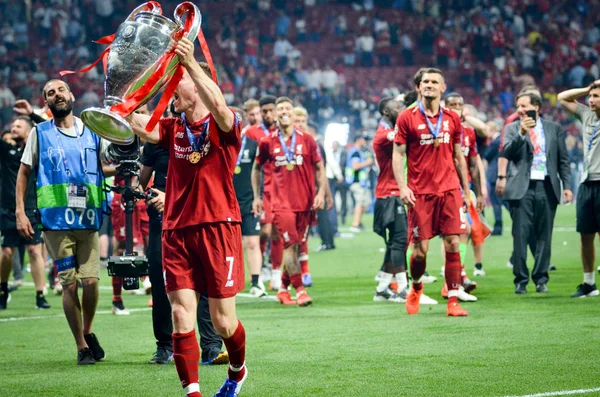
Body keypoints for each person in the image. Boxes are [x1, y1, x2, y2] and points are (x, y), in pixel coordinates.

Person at [126, 38, 247, 397]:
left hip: (218, 226)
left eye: (175, 82)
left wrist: (190, 63)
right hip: (176, 230)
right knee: (181, 313)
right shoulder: (172, 128)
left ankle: (237, 371)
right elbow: (138, 124)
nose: (169, 89)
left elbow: (221, 107)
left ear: (196, 84)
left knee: (224, 322)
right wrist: (122, 90)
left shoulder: (227, 124)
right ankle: (192, 392)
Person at [16, 79, 106, 364]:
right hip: (55, 220)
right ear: (46, 102)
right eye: (50, 93)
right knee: (69, 285)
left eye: (61, 90)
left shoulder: (92, 130)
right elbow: (24, 173)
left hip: (88, 216)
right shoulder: (39, 133)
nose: (57, 95)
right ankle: (81, 347)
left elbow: (104, 168)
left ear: (71, 94)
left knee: (91, 281)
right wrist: (20, 211)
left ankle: (88, 332)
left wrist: (129, 165)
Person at [140, 138, 230, 366]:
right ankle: (164, 345)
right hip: (164, 222)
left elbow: (211, 180)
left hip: (199, 218)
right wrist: (149, 195)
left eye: (178, 98)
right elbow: (142, 182)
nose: (176, 103)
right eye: (173, 99)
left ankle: (211, 346)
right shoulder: (157, 139)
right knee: (161, 281)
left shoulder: (206, 136)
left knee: (205, 279)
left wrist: (169, 198)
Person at [392, 68, 471, 317]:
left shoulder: (452, 118)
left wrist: (466, 189)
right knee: (419, 251)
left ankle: (453, 300)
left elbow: (458, 155)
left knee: (453, 242)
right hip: (420, 193)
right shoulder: (406, 117)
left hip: (449, 189)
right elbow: (398, 153)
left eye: (434, 82)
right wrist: (402, 187)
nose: (429, 85)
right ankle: (416, 287)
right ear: (418, 87)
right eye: (425, 81)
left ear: (442, 87)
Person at [252, 96, 326, 307]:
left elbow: (320, 168)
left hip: (306, 203)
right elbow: (256, 168)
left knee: (294, 247)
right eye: (280, 109)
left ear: (294, 114)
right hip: (281, 204)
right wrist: (257, 197)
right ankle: (300, 290)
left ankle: (283, 289)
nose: (284, 111)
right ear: (275, 115)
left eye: (288, 108)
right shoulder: (267, 142)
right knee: (290, 245)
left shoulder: (308, 140)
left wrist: (320, 194)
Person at [501, 92, 572, 294]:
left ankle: (541, 279)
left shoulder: (554, 129)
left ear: (537, 107)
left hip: (547, 187)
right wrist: (522, 134)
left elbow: (563, 161)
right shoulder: (512, 128)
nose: (520, 110)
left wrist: (567, 186)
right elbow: (507, 153)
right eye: (518, 106)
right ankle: (520, 281)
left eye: (524, 106)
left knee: (544, 236)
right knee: (520, 236)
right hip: (521, 188)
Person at [0, 116, 50, 310]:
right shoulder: (5, 150)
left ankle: (40, 294)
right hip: (7, 208)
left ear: (29, 131)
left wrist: (31, 114)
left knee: (34, 251)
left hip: (31, 208)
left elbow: (48, 129)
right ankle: (3, 289)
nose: (14, 128)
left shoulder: (36, 151)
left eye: (19, 126)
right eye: (12, 125)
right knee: (6, 252)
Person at [557, 80, 600, 298]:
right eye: (591, 96)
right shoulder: (586, 114)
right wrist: (588, 88)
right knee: (585, 234)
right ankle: (589, 283)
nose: (591, 100)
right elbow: (562, 97)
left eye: (596, 96)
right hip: (586, 182)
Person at [444, 92, 487, 285]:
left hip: (464, 188)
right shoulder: (441, 131)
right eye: (451, 104)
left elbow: (472, 166)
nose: (455, 108)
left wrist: (477, 192)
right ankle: (454, 276)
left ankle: (457, 275)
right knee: (460, 231)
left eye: (458, 105)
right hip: (445, 187)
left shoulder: (468, 132)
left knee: (465, 232)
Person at [246, 95, 284, 291]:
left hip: (282, 189)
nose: (268, 114)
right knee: (264, 232)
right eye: (265, 111)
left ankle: (276, 273)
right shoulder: (252, 133)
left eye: (271, 111)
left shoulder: (284, 132)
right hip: (263, 189)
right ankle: (260, 272)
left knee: (278, 233)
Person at [372, 98, 407, 303]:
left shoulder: (388, 132)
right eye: (398, 108)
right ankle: (402, 288)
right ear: (386, 111)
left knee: (395, 242)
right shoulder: (384, 135)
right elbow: (407, 137)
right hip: (390, 194)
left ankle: (383, 287)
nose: (401, 111)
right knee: (399, 241)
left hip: (391, 194)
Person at [233, 107, 267, 298]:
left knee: (253, 242)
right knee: (230, 244)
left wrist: (258, 197)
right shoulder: (220, 144)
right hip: (226, 202)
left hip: (248, 200)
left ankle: (256, 282)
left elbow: (260, 172)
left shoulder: (253, 145)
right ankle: (231, 281)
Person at [346, 135, 374, 233]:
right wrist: (368, 162)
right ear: (358, 140)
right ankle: (355, 224)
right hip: (356, 182)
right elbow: (355, 166)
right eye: (362, 139)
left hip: (362, 183)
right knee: (359, 202)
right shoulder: (355, 153)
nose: (364, 141)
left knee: (365, 203)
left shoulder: (359, 152)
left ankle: (359, 222)